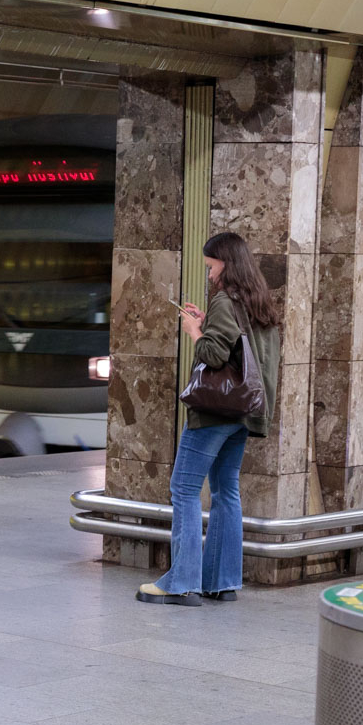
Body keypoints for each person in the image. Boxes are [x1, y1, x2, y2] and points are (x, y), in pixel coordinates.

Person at [138, 231, 279, 607]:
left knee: (184, 488)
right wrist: (206, 324)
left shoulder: (225, 300)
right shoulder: (259, 302)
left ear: (226, 263)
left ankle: (181, 582)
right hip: (244, 411)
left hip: (215, 411)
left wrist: (194, 330)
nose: (210, 273)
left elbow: (214, 355)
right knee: (225, 489)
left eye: (212, 266)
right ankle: (221, 581)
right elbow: (240, 349)